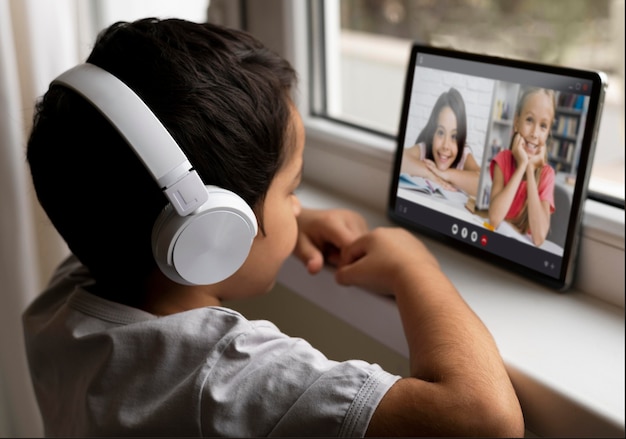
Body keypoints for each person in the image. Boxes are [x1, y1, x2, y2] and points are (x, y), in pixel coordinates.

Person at [23, 18, 524, 437]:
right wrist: (416, 266)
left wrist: (287, 220)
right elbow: (484, 420)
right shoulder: (227, 378)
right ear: (212, 231)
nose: (298, 205)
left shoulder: (62, 298)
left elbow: (125, 195)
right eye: (291, 190)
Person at [488, 87, 556, 247]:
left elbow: (539, 238)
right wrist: (522, 166)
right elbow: (494, 219)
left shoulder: (547, 174)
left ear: (547, 133)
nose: (534, 133)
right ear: (516, 122)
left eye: (543, 126)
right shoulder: (503, 159)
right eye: (529, 120)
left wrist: (530, 170)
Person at [400, 87, 480, 196]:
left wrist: (445, 174)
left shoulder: (463, 156)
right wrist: (430, 173)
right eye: (441, 133)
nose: (445, 146)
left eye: (454, 136)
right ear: (433, 133)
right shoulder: (424, 149)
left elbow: (483, 184)